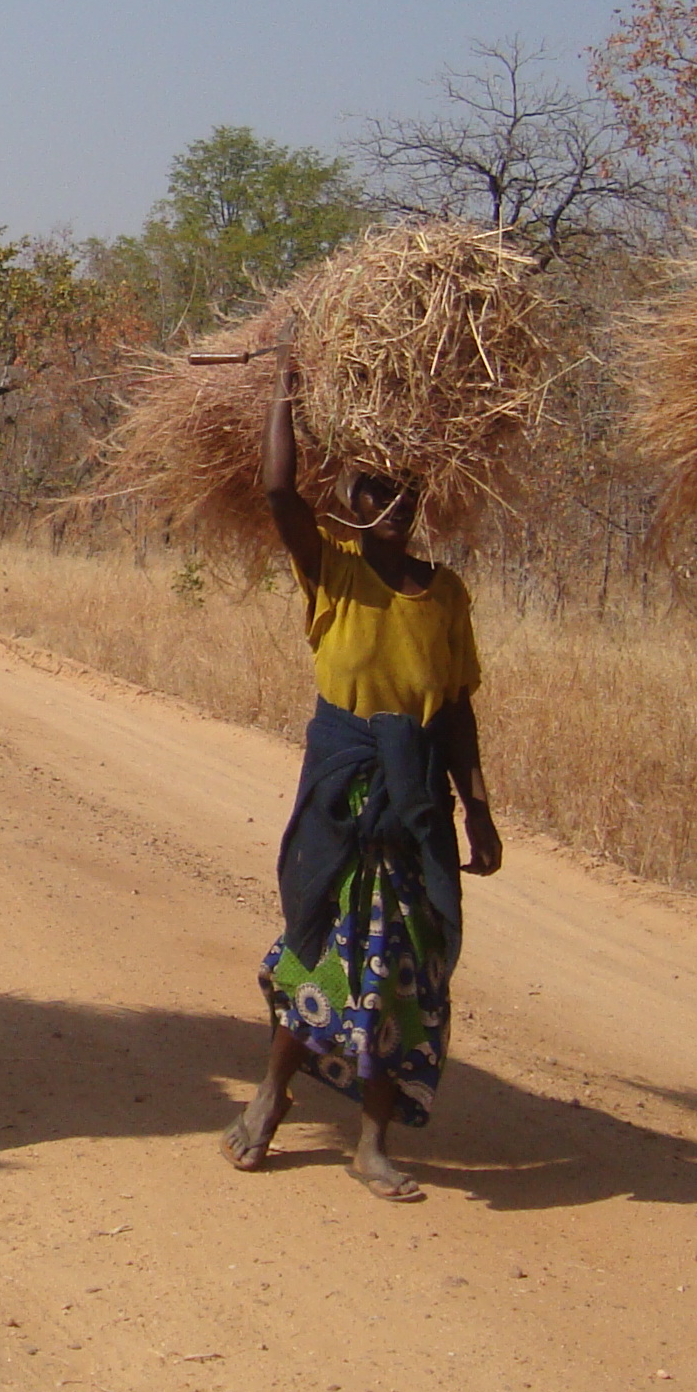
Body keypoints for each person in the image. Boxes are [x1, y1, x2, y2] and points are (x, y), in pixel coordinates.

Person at [221, 345, 503, 1203]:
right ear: (348, 504)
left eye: (402, 493)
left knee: (406, 970)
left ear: (418, 503)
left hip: (414, 798)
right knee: (326, 953)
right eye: (371, 493)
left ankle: (372, 1141)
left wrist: (479, 810)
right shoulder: (332, 576)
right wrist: (284, 392)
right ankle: (273, 1094)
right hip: (345, 793)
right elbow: (276, 492)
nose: (388, 506)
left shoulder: (444, 593)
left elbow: (454, 709)